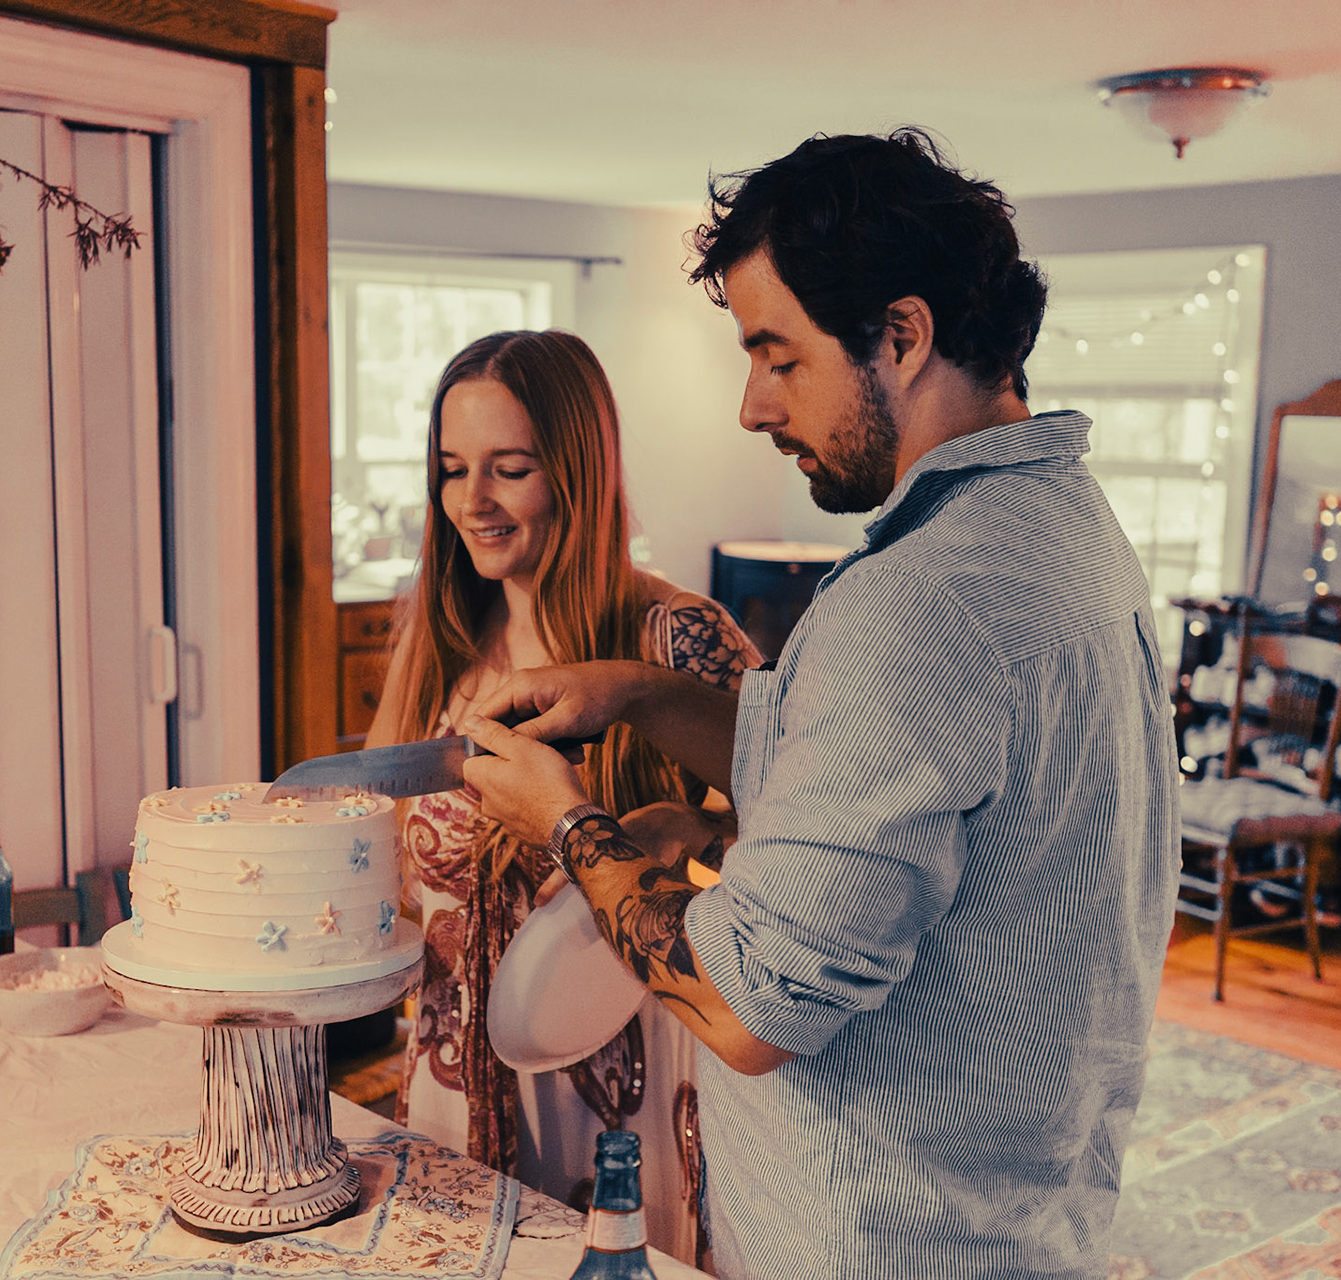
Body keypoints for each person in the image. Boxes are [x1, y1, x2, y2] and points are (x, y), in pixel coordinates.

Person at [459, 130, 1179, 1279]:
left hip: (882, 1245)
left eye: (778, 357)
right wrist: (641, 693)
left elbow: (754, 1007)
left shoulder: (920, 599)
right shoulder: (1063, 526)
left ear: (903, 335)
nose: (752, 407)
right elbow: (887, 770)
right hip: (1020, 1218)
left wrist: (567, 821)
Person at [368, 328, 760, 1263]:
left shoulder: (677, 638)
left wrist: (695, 828)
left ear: (578, 472)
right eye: (452, 469)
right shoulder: (439, 641)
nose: (473, 500)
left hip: (625, 1090)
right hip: (454, 1080)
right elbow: (374, 847)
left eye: (510, 469)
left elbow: (799, 828)